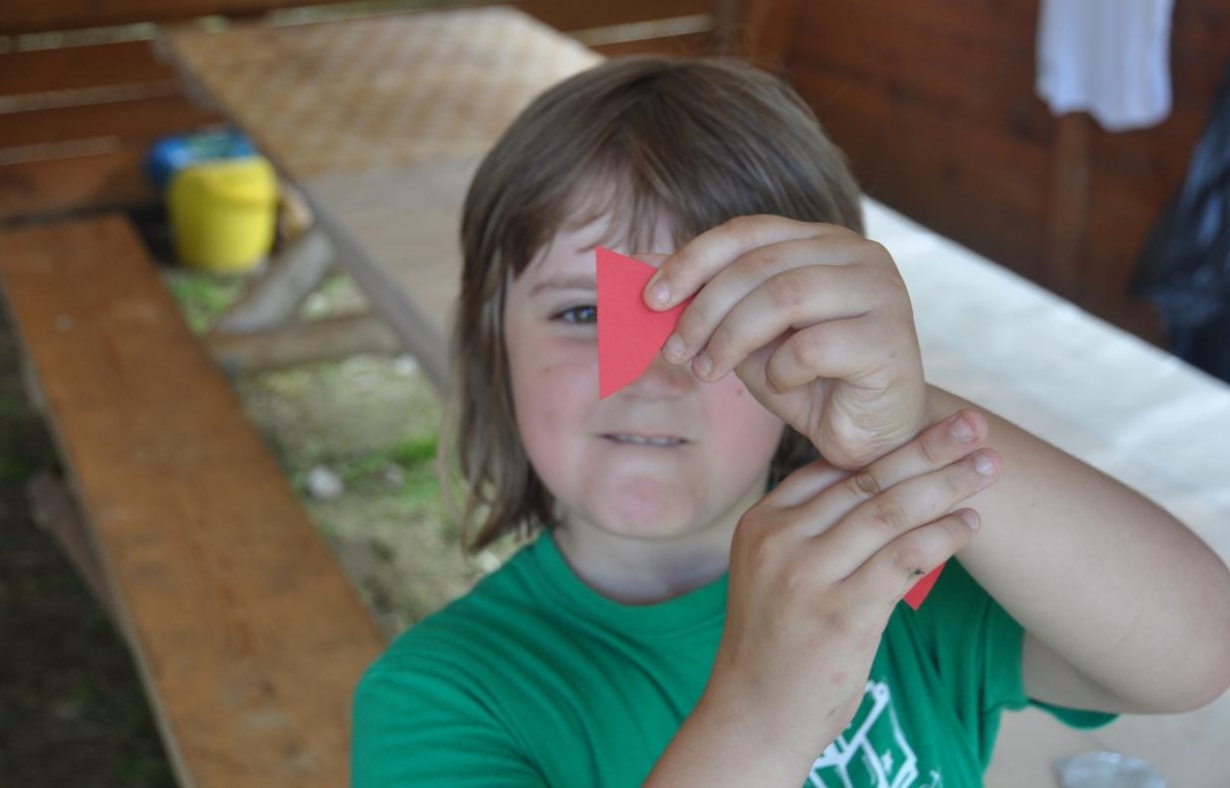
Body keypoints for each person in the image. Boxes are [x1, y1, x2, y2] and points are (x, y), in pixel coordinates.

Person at [352, 56, 1230, 787]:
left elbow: (1196, 651)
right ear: (491, 344)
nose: (653, 375)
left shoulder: (899, 569)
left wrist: (906, 419)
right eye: (584, 313)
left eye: (732, 320)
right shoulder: (440, 698)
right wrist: (762, 718)